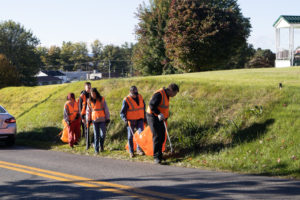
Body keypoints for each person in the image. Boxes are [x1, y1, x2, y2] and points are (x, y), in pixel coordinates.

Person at [146, 83, 179, 164]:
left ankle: (160, 155)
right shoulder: (159, 94)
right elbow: (151, 105)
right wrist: (158, 113)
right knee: (157, 136)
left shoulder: (167, 95)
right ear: (171, 90)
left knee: (162, 136)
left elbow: (163, 107)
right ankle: (156, 157)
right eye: (174, 93)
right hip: (153, 116)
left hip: (161, 118)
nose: (174, 95)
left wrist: (163, 116)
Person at [120, 86, 146, 158]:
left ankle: (139, 149)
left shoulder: (140, 96)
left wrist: (145, 117)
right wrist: (125, 119)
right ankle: (131, 151)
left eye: (136, 92)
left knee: (141, 134)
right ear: (130, 92)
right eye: (134, 93)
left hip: (140, 119)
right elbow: (122, 113)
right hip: (130, 121)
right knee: (130, 136)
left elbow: (143, 107)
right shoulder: (126, 100)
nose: (136, 95)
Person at [87, 88, 110, 154]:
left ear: (96, 93)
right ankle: (96, 150)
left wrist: (107, 118)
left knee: (103, 134)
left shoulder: (101, 99)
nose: (93, 95)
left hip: (102, 119)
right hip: (94, 120)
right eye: (92, 94)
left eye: (94, 93)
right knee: (96, 135)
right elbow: (88, 111)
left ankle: (101, 145)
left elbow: (106, 109)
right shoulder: (89, 101)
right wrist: (88, 120)